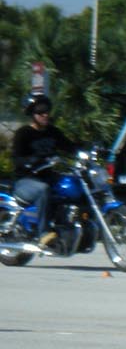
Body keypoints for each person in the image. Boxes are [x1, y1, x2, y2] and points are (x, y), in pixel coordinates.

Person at [11, 95, 77, 250]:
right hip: (25, 181)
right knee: (43, 190)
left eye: (47, 110)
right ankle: (43, 234)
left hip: (49, 177)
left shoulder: (52, 132)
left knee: (72, 184)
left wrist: (89, 149)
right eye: (41, 111)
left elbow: (69, 146)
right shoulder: (23, 133)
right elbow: (17, 159)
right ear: (32, 114)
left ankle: (66, 225)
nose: (45, 114)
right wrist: (32, 160)